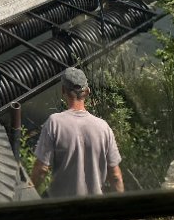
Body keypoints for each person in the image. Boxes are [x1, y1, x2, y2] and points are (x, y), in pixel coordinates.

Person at [30, 67, 124, 197]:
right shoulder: (104, 128)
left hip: (61, 203)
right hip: (94, 205)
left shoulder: (54, 123)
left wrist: (28, 194)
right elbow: (115, 176)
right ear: (87, 91)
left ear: (63, 90)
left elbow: (41, 169)